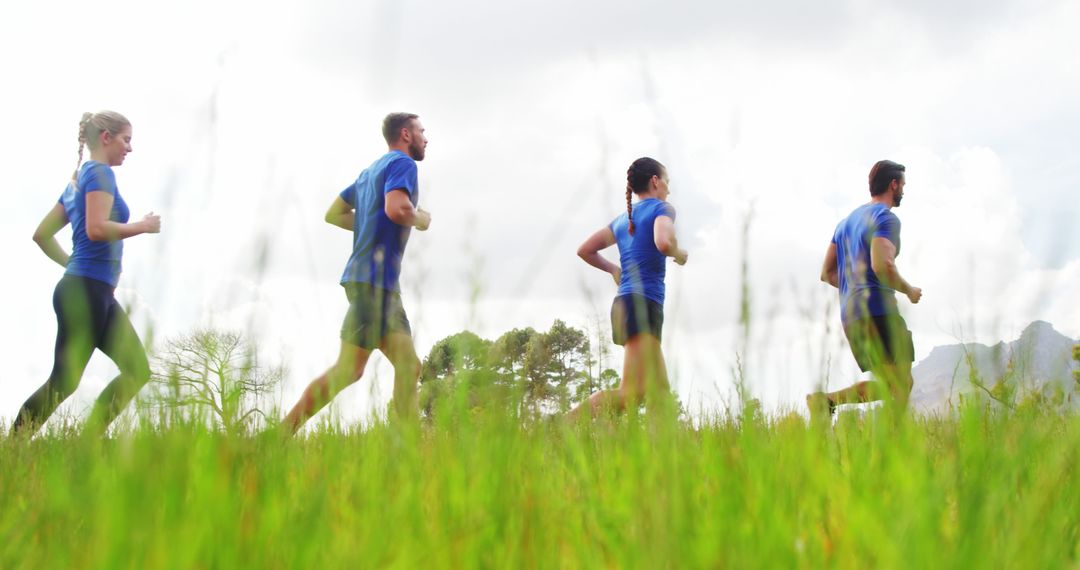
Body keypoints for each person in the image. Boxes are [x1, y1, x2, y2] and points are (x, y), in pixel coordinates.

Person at [13, 111, 162, 436]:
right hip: (87, 291)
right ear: (106, 138)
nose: (130, 148)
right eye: (126, 139)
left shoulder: (79, 180)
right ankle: (16, 443)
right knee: (66, 380)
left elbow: (42, 235)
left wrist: (71, 264)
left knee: (135, 370)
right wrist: (142, 226)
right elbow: (96, 229)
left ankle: (88, 441)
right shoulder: (100, 174)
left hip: (90, 289)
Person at [283, 113, 431, 433]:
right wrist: (419, 218)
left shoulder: (368, 173)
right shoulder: (403, 165)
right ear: (405, 134)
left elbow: (333, 214)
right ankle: (278, 435)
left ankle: (408, 447)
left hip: (368, 282)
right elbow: (397, 208)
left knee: (391, 366)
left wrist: (368, 223)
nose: (425, 138)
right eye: (421, 131)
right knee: (366, 368)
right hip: (376, 283)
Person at [567, 157, 688, 421]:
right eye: (666, 180)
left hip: (628, 304)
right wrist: (679, 253)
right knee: (632, 393)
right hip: (642, 304)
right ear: (655, 181)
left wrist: (614, 270)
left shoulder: (623, 221)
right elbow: (664, 242)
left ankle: (664, 456)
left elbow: (585, 250)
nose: (668, 187)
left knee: (659, 392)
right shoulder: (662, 209)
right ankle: (561, 425)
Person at [808, 159, 921, 419]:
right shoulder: (886, 218)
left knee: (892, 384)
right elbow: (883, 266)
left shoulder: (846, 223)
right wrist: (909, 290)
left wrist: (855, 286)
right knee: (900, 386)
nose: (903, 190)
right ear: (893, 184)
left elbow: (827, 273)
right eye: (902, 184)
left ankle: (826, 402)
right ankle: (893, 442)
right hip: (879, 311)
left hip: (851, 315)